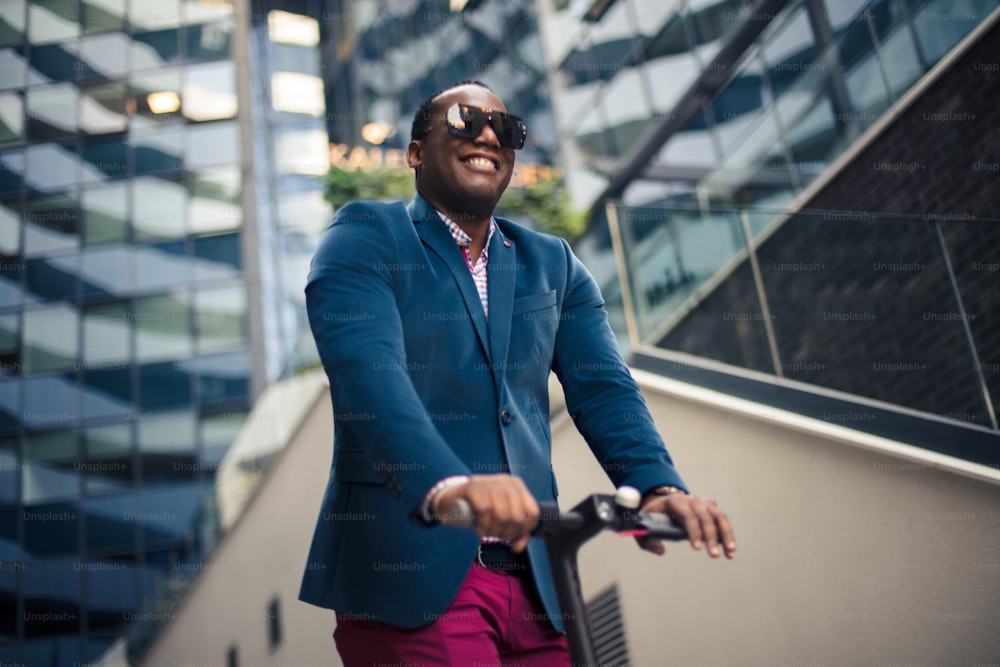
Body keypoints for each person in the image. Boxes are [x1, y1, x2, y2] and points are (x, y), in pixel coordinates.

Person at [299, 81, 736, 666]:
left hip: (539, 584)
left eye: (507, 130)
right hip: (412, 575)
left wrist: (659, 485)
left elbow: (604, 389)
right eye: (463, 119)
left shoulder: (553, 264)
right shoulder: (364, 235)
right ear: (413, 152)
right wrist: (448, 484)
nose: (487, 135)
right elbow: (368, 376)